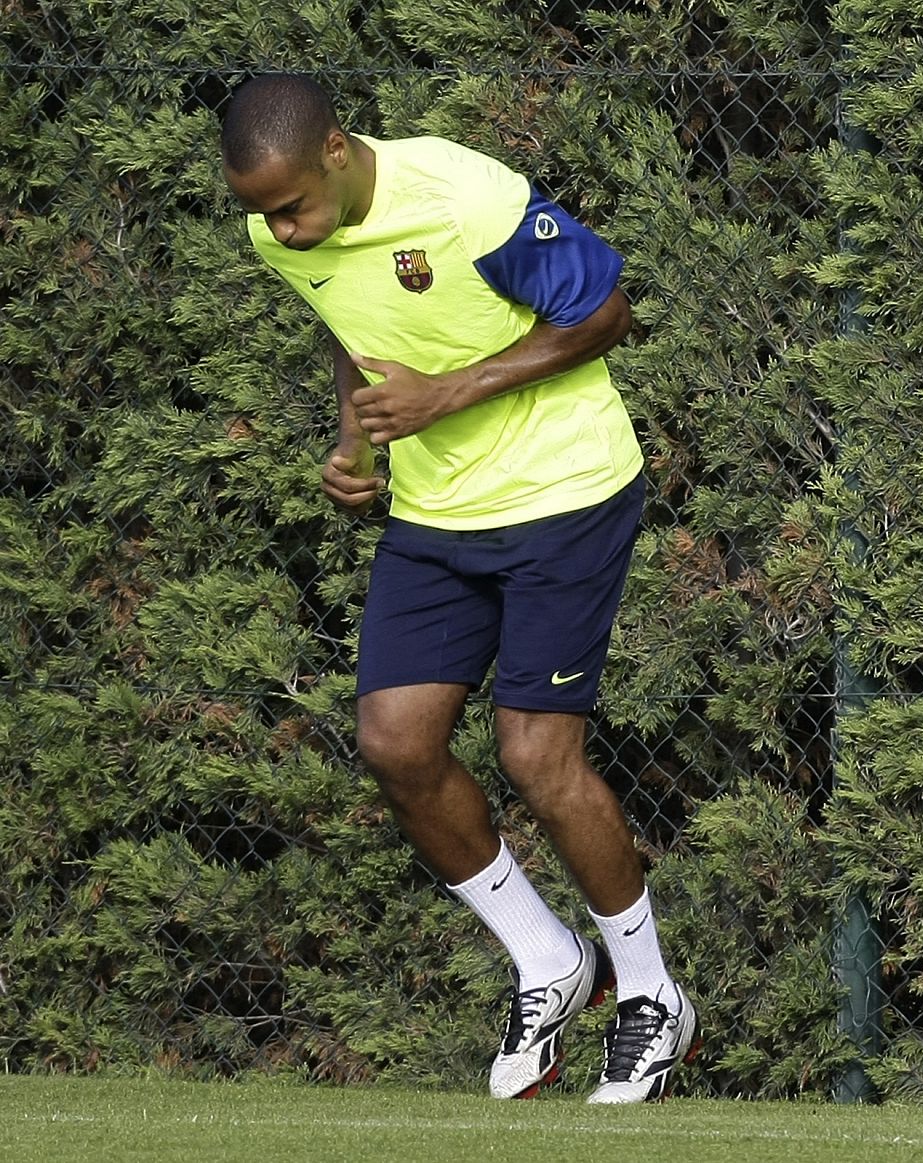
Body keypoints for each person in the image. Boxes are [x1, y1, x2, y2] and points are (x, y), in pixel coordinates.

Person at [220, 74, 697, 1104]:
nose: (283, 233)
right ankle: (546, 959)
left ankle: (652, 994)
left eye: (293, 205)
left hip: (566, 491)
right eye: (263, 214)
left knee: (536, 751)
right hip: (436, 516)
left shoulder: (464, 198)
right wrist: (355, 444)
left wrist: (453, 390)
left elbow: (604, 309)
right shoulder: (280, 238)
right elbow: (357, 343)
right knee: (396, 741)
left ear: (338, 151)